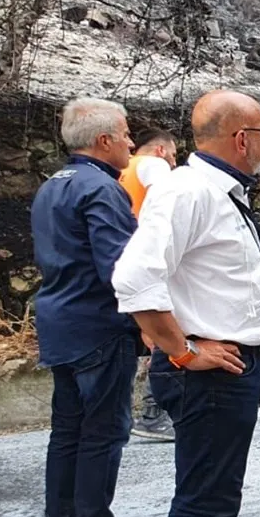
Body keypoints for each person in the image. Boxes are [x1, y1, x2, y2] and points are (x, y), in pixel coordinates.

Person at [113, 90, 260, 517]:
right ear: (242, 138)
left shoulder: (217, 192)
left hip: (229, 371)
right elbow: (135, 280)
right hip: (210, 376)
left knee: (205, 504)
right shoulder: (188, 192)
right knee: (204, 509)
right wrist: (183, 350)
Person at [30, 97, 158, 517]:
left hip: (59, 322)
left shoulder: (51, 186)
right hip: (98, 327)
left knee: (67, 431)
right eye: (125, 133)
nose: (131, 141)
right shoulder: (102, 189)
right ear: (104, 141)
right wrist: (150, 322)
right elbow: (118, 268)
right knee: (104, 432)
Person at [117, 128, 181, 442]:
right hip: (150, 263)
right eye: (173, 153)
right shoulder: (151, 164)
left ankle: (123, 414)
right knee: (163, 337)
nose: (173, 160)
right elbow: (170, 203)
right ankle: (154, 415)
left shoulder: (117, 172)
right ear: (159, 150)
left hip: (119, 262)